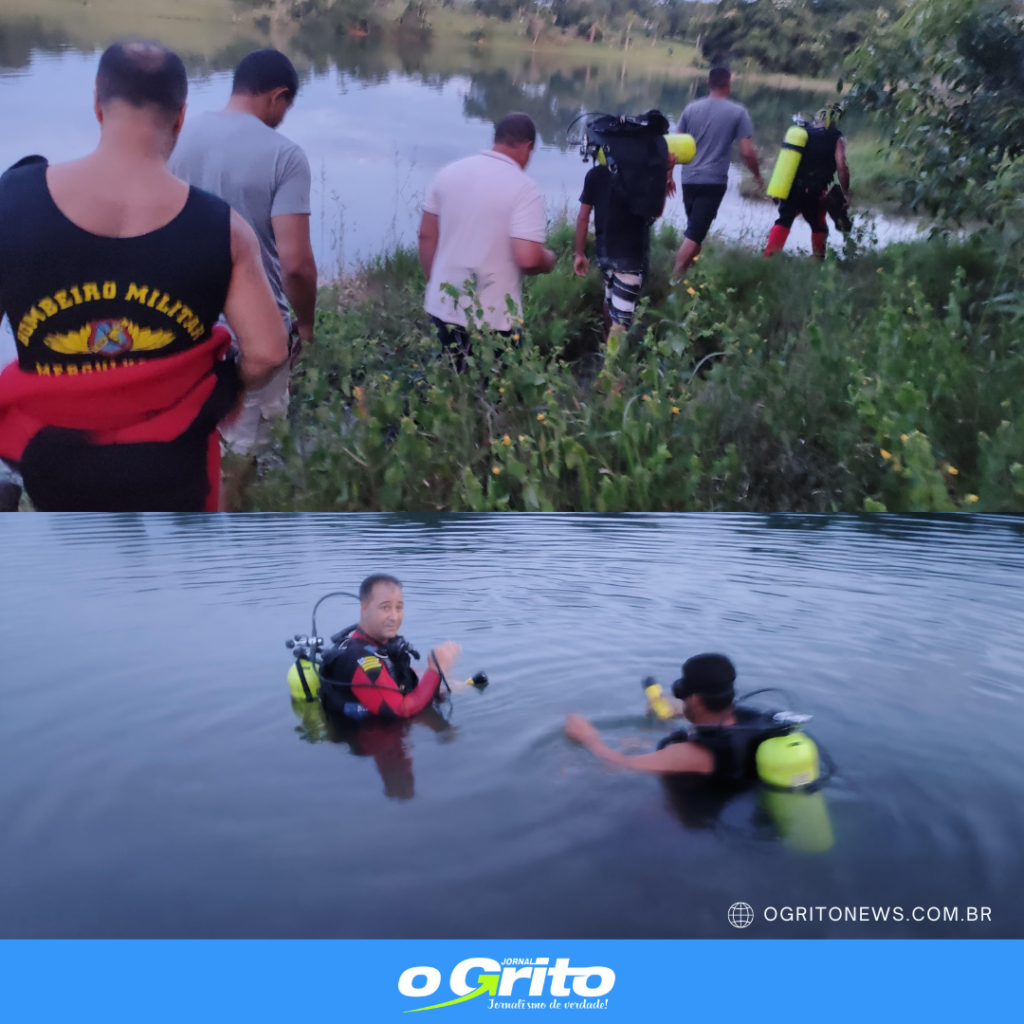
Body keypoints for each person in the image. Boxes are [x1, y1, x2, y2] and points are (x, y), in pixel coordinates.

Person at [0, 40, 287, 512]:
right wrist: (228, 387)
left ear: (98, 102)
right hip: (174, 473)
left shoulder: (13, 202)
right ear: (179, 117)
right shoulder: (224, 228)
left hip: (53, 467)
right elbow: (268, 351)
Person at [169, 48, 316, 456]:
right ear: (278, 96)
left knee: (190, 444)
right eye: (285, 107)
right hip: (254, 334)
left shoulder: (177, 136)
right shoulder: (285, 156)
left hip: (182, 324)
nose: (282, 118)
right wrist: (305, 324)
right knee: (246, 452)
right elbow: (297, 265)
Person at [418, 112, 556, 366]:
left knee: (451, 380)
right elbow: (528, 258)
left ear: (498, 139)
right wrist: (549, 259)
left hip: (442, 307)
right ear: (528, 146)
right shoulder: (525, 189)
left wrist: (435, 283)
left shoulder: (448, 173)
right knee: (499, 394)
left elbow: (426, 235)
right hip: (494, 319)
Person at [564, 653, 787, 776]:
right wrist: (679, 710)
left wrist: (588, 737)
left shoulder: (691, 753)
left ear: (697, 700)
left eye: (683, 694)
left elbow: (620, 766)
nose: (680, 698)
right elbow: (711, 718)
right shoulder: (748, 718)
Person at [574, 115, 677, 338]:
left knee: (609, 299)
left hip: (604, 253)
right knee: (622, 320)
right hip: (630, 256)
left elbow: (583, 218)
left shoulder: (594, 174)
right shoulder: (644, 176)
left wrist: (579, 253)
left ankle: (606, 347)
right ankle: (612, 368)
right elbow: (655, 211)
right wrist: (666, 171)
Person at [319, 574, 462, 719]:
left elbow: (393, 672)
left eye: (399, 608)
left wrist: (434, 682)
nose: (394, 617)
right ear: (364, 608)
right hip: (374, 738)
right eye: (385, 607)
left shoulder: (376, 644)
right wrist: (435, 670)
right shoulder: (359, 659)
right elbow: (401, 711)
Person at [671, 68, 763, 280]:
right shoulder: (738, 112)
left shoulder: (691, 108)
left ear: (708, 83)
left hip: (688, 179)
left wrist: (668, 176)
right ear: (728, 84)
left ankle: (688, 278)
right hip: (713, 182)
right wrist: (757, 175)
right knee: (695, 233)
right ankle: (674, 280)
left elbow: (674, 147)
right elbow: (747, 151)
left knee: (696, 230)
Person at [764, 104, 850, 258]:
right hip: (814, 191)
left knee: (784, 220)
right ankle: (817, 261)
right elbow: (842, 166)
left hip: (790, 187)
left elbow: (785, 163)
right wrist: (845, 193)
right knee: (818, 225)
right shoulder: (836, 136)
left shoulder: (802, 133)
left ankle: (768, 257)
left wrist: (778, 190)